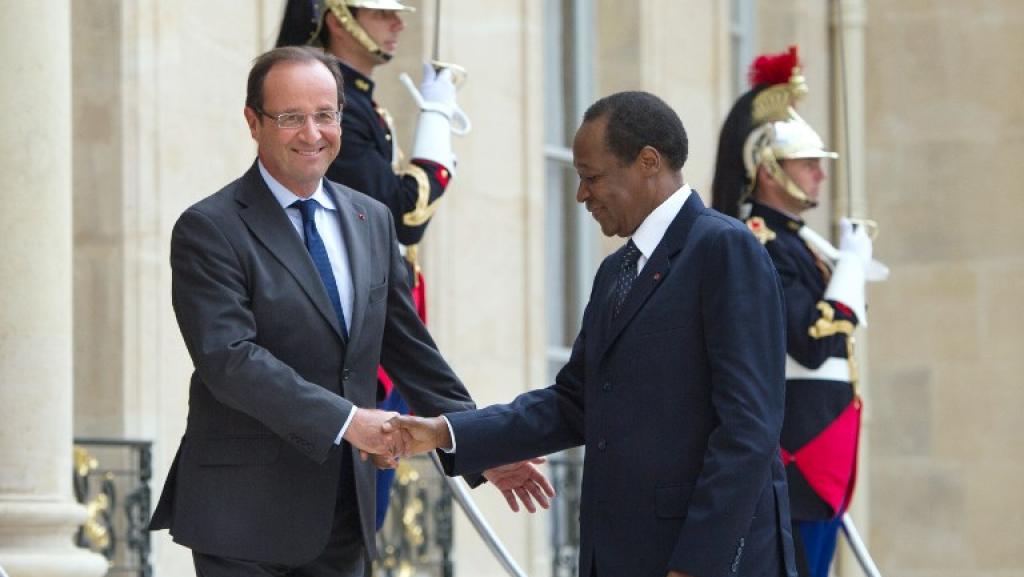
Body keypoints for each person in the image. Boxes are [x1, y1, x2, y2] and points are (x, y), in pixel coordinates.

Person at [148, 46, 551, 577]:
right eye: (290, 117)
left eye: (325, 115)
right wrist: (348, 421)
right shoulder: (210, 228)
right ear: (253, 122)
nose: (311, 133)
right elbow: (229, 360)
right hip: (244, 518)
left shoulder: (372, 218)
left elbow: (407, 347)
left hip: (344, 513)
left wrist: (478, 444)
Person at [392, 91, 797, 577]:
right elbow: (575, 402)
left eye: (592, 177)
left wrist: (696, 566)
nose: (582, 195)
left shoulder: (724, 249)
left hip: (699, 560)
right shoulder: (616, 271)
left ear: (648, 162)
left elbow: (749, 428)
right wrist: (446, 431)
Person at [275, 0, 465, 529]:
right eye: (382, 13)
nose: (398, 22)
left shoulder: (363, 105)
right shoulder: (348, 113)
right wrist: (436, 127)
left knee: (363, 522)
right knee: (346, 519)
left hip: (385, 329)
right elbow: (406, 215)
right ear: (339, 17)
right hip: (354, 342)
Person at [710, 46, 874, 577]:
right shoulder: (762, 243)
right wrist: (850, 271)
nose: (819, 177)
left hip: (820, 450)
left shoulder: (797, 243)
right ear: (768, 169)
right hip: (798, 453)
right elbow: (810, 338)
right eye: (808, 165)